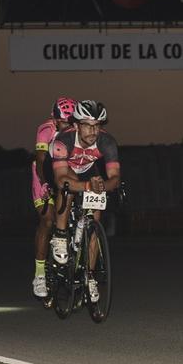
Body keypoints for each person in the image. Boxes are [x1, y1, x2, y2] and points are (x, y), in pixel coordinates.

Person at [49, 100, 120, 304]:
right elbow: (61, 178)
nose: (93, 130)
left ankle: (89, 275)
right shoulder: (63, 140)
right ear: (76, 125)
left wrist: (101, 187)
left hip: (88, 170)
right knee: (68, 188)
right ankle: (61, 235)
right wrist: (88, 186)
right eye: (88, 125)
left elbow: (114, 177)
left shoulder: (107, 142)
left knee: (96, 211)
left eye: (97, 125)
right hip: (63, 168)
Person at [32, 96, 76, 298]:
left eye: (71, 122)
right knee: (48, 221)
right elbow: (41, 161)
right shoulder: (45, 130)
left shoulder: (77, 130)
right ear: (55, 118)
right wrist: (46, 184)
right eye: (64, 122)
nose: (68, 126)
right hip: (44, 174)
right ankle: (40, 275)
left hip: (65, 173)